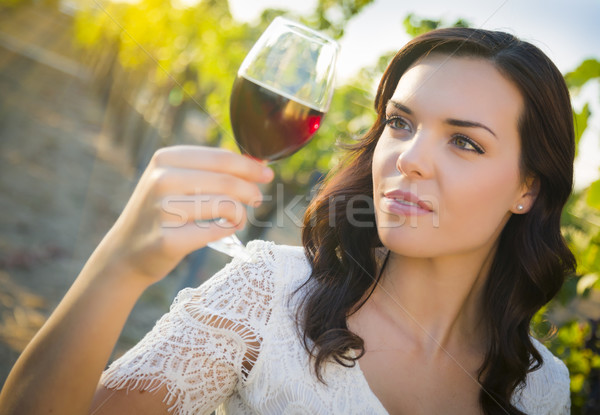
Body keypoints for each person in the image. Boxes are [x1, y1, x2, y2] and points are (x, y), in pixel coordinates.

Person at [0, 27, 575, 415]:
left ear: (527, 187)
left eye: (465, 142)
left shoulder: (543, 389)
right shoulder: (266, 297)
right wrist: (118, 268)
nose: (410, 157)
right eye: (400, 123)